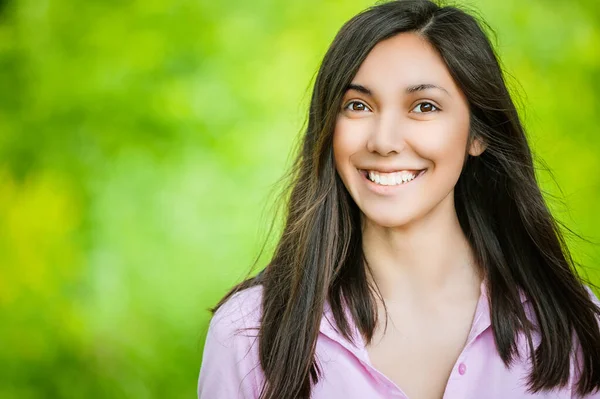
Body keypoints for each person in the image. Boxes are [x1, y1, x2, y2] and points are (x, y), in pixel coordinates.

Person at [197, 0, 600, 398]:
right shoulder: (247, 333)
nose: (384, 141)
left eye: (424, 107)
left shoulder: (573, 327)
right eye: (358, 106)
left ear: (478, 135)